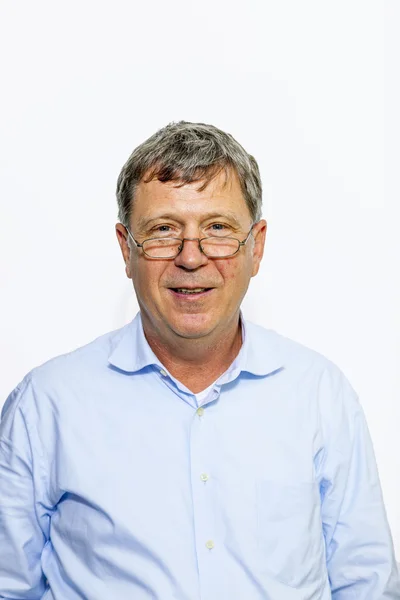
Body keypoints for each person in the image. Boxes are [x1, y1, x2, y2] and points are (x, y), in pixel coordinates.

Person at [0, 121, 398, 600]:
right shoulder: (45, 405)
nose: (192, 257)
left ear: (257, 246)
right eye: (164, 230)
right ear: (127, 250)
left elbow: (367, 586)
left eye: (218, 228)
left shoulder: (319, 394)